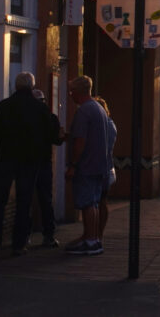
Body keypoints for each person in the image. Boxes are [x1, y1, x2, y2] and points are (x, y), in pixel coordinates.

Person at [0, 72, 53, 256]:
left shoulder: (4, 106)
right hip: (29, 161)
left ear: (16, 86)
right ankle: (19, 243)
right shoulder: (39, 108)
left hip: (5, 159)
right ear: (31, 87)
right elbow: (48, 135)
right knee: (24, 202)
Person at [64, 76, 109, 256]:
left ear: (77, 92)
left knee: (88, 203)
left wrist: (73, 164)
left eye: (71, 91)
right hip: (99, 164)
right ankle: (93, 238)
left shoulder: (84, 111)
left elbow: (81, 141)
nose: (70, 95)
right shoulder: (99, 109)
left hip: (87, 164)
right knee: (94, 203)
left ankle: (90, 240)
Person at [31, 89, 63, 248]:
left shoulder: (25, 118)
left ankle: (23, 237)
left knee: (26, 199)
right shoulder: (51, 118)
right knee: (45, 199)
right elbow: (57, 140)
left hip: (27, 162)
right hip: (43, 161)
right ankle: (48, 235)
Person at [94, 97, 118, 246]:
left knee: (100, 202)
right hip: (105, 168)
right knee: (100, 202)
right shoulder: (109, 125)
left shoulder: (107, 125)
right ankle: (95, 234)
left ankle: (97, 234)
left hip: (103, 169)